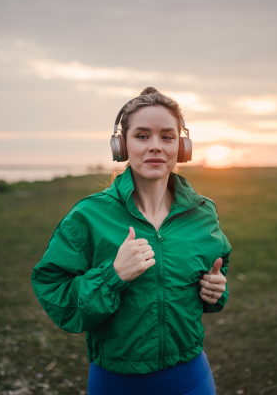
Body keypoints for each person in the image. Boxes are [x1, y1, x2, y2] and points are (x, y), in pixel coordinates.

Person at [31, 87, 232, 394]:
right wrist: (113, 276)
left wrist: (215, 289)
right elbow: (54, 291)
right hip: (117, 381)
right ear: (121, 145)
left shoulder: (203, 213)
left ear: (182, 146)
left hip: (190, 377)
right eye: (142, 136)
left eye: (167, 136)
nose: (155, 146)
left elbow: (217, 270)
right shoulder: (88, 216)